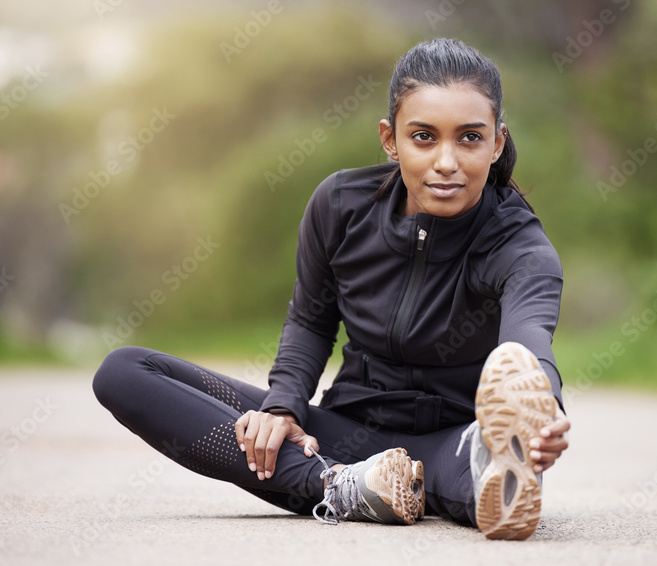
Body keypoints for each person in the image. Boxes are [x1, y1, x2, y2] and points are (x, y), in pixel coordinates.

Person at [93, 37, 570, 541]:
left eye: (470, 138)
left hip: (449, 443)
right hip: (342, 435)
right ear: (390, 139)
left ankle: (477, 465)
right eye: (424, 137)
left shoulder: (519, 246)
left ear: (496, 143)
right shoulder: (342, 205)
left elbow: (529, 342)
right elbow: (310, 319)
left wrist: (541, 409)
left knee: (482, 471)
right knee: (124, 371)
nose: (447, 161)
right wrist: (283, 407)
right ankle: (343, 484)